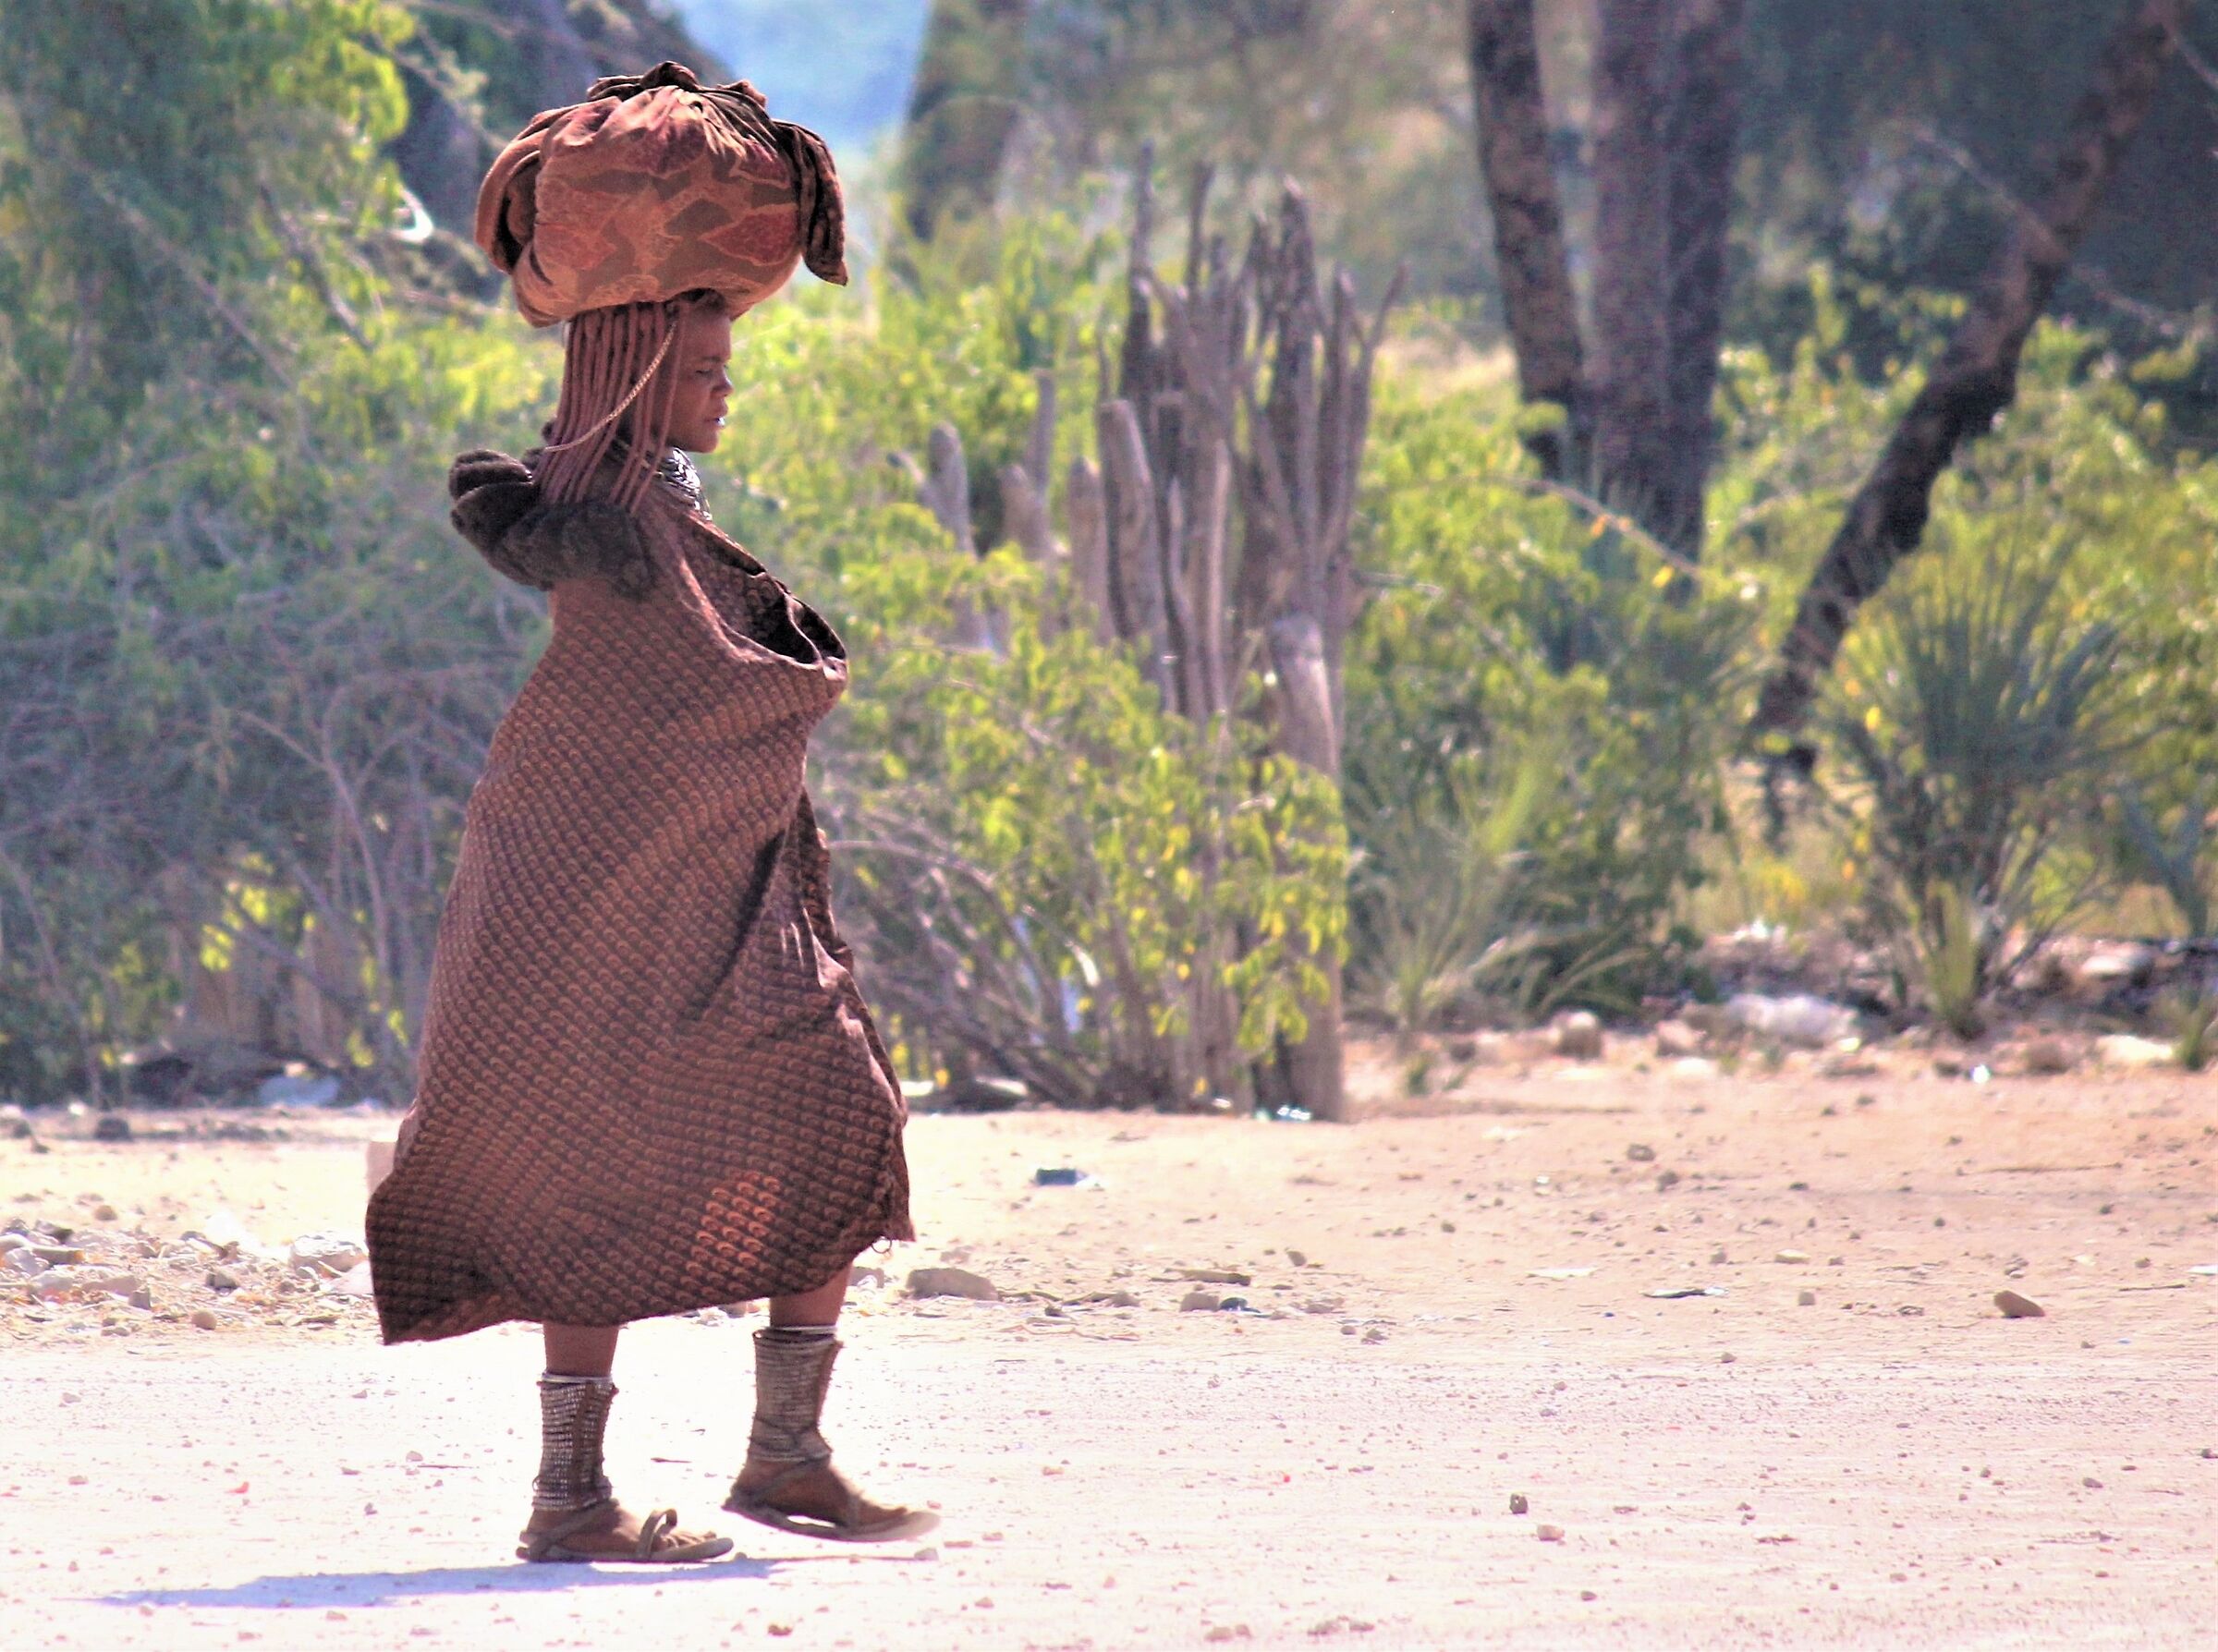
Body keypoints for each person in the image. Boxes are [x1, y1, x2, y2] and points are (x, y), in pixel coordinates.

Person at [365, 64, 931, 1564]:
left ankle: (770, 1460)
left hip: (671, 889)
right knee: (608, 1153)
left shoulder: (649, 499)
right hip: (599, 887)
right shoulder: (609, 504)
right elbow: (711, 687)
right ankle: (593, 1494)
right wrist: (799, 678)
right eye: (702, 363)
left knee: (804, 1126)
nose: (727, 382)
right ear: (630, 363)